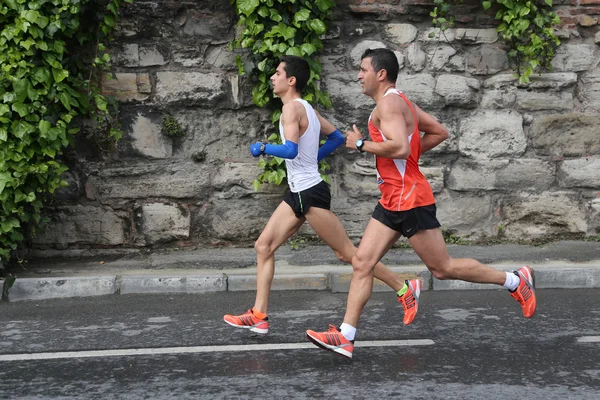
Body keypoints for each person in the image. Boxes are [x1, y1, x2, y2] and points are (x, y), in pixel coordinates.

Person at [305, 48, 536, 359]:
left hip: (410, 199)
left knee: (442, 268)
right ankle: (345, 336)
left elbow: (400, 147)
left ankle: (514, 280)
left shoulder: (388, 105)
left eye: (363, 70)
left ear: (381, 74)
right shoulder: (402, 102)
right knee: (362, 262)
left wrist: (360, 144)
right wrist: (406, 161)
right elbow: (438, 132)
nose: (359, 76)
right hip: (393, 197)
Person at [223, 55, 418, 335]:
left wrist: (264, 148)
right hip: (298, 192)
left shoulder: (292, 110)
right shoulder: (307, 110)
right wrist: (311, 157)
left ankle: (404, 287)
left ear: (291, 80)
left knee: (348, 253)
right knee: (263, 247)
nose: (272, 78)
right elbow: (337, 139)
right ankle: (259, 315)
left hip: (310, 193)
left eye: (277, 73)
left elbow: (290, 150)